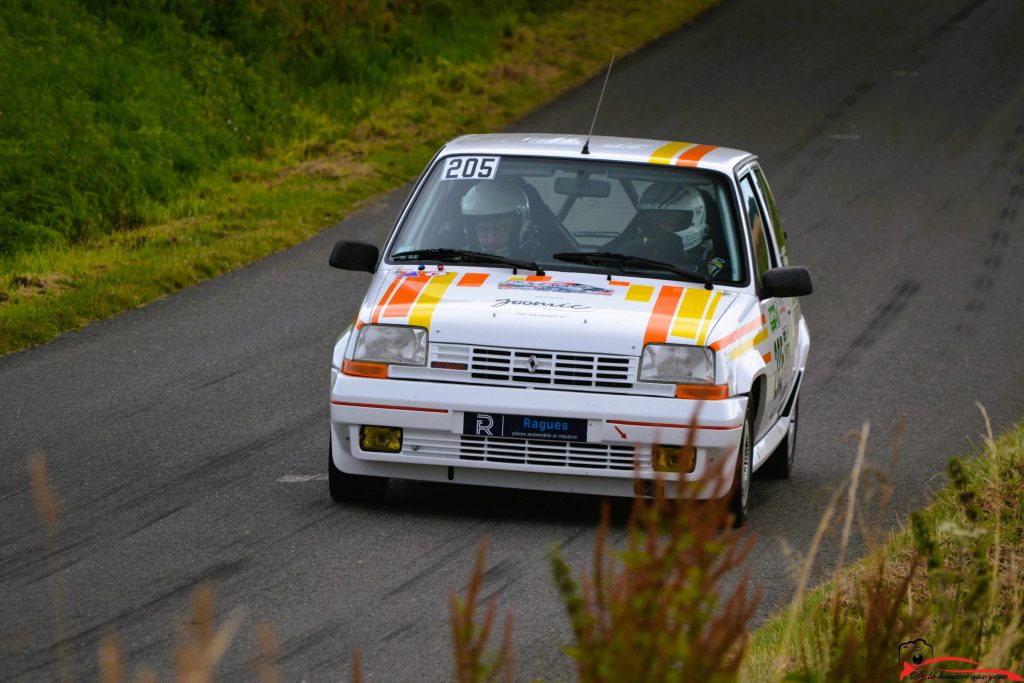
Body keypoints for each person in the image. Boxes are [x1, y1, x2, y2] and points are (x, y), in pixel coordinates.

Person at [620, 182, 724, 275]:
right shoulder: (633, 250)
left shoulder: (711, 262)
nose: (659, 226)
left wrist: (685, 259)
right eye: (652, 219)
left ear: (693, 220)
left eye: (669, 219)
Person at [460, 180, 539, 258]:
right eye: (483, 231)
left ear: (519, 230)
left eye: (501, 230)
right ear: (471, 232)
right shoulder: (457, 264)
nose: (491, 240)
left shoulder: (542, 262)